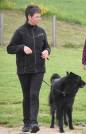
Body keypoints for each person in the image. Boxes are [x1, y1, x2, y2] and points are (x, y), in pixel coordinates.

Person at [7, 5, 50, 133]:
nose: (39, 19)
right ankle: (26, 123)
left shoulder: (41, 31)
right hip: (24, 70)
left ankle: (34, 123)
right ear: (29, 17)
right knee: (26, 96)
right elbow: (10, 48)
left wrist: (47, 51)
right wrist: (22, 48)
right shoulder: (20, 32)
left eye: (40, 16)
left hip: (39, 70)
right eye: (37, 17)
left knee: (34, 94)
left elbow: (47, 46)